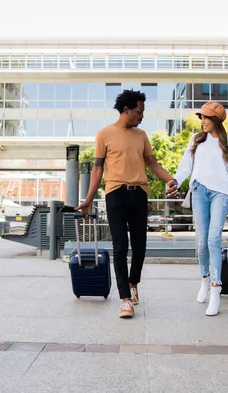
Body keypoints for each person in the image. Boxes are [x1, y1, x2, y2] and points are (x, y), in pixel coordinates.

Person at [77, 89, 175, 319]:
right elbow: (98, 168)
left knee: (140, 245)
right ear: (127, 109)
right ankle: (125, 300)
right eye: (139, 111)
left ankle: (133, 283)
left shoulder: (141, 135)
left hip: (139, 193)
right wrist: (89, 199)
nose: (142, 116)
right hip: (115, 194)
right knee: (120, 246)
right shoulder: (104, 134)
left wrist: (170, 179)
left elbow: (152, 163)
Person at [166, 101, 228, 316]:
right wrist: (175, 181)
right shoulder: (196, 140)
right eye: (201, 117)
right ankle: (204, 279)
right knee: (201, 242)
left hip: (221, 193)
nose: (202, 121)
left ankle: (216, 289)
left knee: (213, 240)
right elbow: (185, 167)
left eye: (206, 118)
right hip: (199, 191)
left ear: (216, 120)